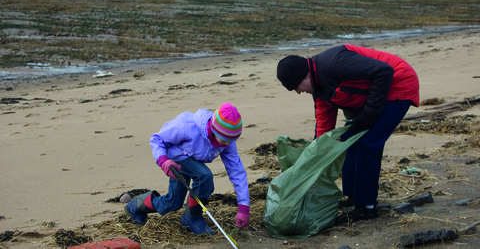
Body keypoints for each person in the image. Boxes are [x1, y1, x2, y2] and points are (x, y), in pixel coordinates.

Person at [276, 44, 419, 225]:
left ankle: (367, 207)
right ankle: (352, 197)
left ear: (304, 75)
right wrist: (314, 160)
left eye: (296, 86)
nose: (298, 92)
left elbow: (384, 71)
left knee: (368, 143)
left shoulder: (334, 63)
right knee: (347, 141)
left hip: (399, 84)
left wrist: (369, 113)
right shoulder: (318, 89)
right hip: (374, 95)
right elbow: (323, 128)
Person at [124, 103, 250, 234]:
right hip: (176, 160)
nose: (228, 144)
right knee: (204, 176)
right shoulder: (186, 125)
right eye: (224, 140)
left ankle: (136, 206)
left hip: (192, 161)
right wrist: (163, 161)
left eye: (232, 140)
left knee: (173, 203)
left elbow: (237, 171)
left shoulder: (226, 142)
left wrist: (243, 208)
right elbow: (157, 138)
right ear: (213, 129)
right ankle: (192, 217)